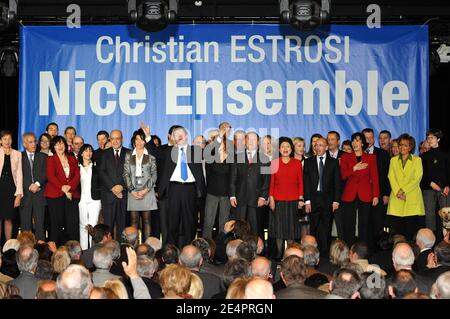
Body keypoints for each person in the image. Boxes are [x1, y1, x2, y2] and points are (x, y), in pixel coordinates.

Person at [144, 124, 206, 248]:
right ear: (172, 138)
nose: (180, 137)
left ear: (187, 136)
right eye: (177, 135)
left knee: (189, 221)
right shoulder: (168, 151)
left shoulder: (196, 151)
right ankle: (172, 250)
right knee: (172, 221)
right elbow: (154, 151)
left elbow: (213, 152)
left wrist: (220, 138)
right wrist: (147, 137)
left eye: (182, 135)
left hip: (190, 189)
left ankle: (188, 249)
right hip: (174, 189)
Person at [340, 132, 379, 247]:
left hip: (365, 194)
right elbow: (343, 175)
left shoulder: (371, 158)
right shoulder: (346, 157)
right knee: (349, 224)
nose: (354, 143)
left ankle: (362, 251)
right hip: (349, 194)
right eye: (353, 140)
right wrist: (354, 168)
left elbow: (375, 178)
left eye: (357, 140)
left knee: (364, 224)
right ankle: (349, 250)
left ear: (362, 143)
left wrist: (376, 195)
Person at [304, 137, 341, 255]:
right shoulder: (309, 161)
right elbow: (306, 182)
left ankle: (324, 254)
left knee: (326, 227)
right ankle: (313, 252)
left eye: (321, 145)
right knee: (313, 227)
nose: (318, 147)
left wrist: (336, 201)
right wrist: (307, 201)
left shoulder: (334, 162)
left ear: (326, 147)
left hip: (328, 200)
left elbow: (337, 183)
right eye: (316, 145)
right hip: (313, 200)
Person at [268, 137, 303, 259]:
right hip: (278, 201)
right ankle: (280, 255)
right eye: (282, 147)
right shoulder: (274, 163)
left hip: (293, 201)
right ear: (279, 149)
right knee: (279, 230)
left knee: (291, 231)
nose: (285, 149)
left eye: (288, 146)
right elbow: (271, 183)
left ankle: (290, 255)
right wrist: (271, 198)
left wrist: (301, 198)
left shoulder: (297, 163)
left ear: (291, 149)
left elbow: (300, 183)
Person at [230, 131, 270, 239]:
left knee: (256, 227)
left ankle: (257, 251)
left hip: (256, 200)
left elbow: (266, 180)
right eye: (249, 139)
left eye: (254, 140)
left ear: (258, 142)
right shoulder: (237, 157)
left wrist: (263, 197)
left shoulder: (265, 159)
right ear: (245, 141)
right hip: (240, 199)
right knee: (239, 227)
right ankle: (238, 252)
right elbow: (233, 178)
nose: (251, 142)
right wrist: (232, 195)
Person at [387, 133, 425, 241]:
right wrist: (398, 192)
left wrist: (403, 191)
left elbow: (417, 178)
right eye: (400, 145)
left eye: (405, 145)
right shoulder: (393, 160)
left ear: (410, 147)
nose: (402, 147)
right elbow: (391, 176)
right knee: (397, 232)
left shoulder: (417, 160)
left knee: (411, 232)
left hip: (411, 198)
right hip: (396, 198)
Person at [44, 135, 80, 245]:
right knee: (56, 223)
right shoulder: (50, 159)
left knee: (71, 223)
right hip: (55, 194)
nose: (60, 146)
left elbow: (77, 175)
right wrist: (63, 189)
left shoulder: (72, 158)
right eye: (57, 144)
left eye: (62, 143)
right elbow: (51, 176)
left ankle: (73, 249)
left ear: (65, 145)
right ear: (53, 147)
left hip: (71, 194)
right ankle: (55, 250)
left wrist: (69, 188)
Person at [123, 129, 158, 240]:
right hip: (133, 191)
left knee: (147, 220)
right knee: (134, 220)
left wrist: (146, 190)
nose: (139, 142)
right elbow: (125, 173)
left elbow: (154, 175)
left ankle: (146, 248)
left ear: (145, 142)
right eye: (137, 139)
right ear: (134, 141)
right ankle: (133, 247)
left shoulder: (151, 156)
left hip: (147, 190)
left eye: (142, 139)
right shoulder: (128, 155)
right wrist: (132, 190)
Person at [362, 128, 391, 250]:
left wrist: (385, 194)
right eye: (366, 138)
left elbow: (386, 176)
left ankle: (378, 248)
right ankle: (364, 247)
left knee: (378, 222)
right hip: (362, 194)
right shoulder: (357, 153)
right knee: (364, 222)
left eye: (370, 137)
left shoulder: (383, 154)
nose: (368, 140)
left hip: (378, 194)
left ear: (374, 139)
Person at [99, 130, 130, 240]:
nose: (115, 141)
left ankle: (122, 251)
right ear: (110, 140)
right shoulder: (104, 153)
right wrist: (113, 188)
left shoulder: (129, 153)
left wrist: (121, 186)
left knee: (122, 228)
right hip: (109, 196)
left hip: (124, 195)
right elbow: (101, 172)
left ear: (122, 139)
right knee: (108, 228)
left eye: (118, 138)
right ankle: (108, 253)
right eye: (113, 139)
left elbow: (131, 172)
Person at [203, 124, 232, 240]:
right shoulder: (210, 155)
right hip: (212, 192)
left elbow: (231, 175)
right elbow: (212, 171)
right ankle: (206, 247)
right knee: (208, 222)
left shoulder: (231, 156)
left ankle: (221, 247)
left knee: (223, 223)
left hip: (226, 194)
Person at [420, 129, 449, 242]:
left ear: (438, 139)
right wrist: (431, 184)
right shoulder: (424, 156)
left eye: (432, 137)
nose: (429, 140)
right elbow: (422, 174)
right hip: (429, 189)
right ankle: (429, 241)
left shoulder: (445, 154)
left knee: (446, 215)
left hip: (444, 189)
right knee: (430, 215)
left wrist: (448, 186)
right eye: (428, 138)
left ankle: (446, 240)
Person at [19, 132, 47, 241]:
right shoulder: (18, 156)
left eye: (34, 141)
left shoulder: (43, 157)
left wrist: (37, 184)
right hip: (25, 195)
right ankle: (25, 251)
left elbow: (46, 173)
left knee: (40, 225)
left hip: (39, 195)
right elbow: (17, 174)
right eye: (30, 142)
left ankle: (41, 251)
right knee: (25, 225)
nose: (34, 144)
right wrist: (29, 185)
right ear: (24, 144)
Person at [78, 144, 102, 250]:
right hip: (81, 199)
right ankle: (84, 251)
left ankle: (93, 250)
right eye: (86, 151)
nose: (89, 153)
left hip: (95, 200)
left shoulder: (97, 167)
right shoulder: (77, 167)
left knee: (93, 225)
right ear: (81, 153)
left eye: (90, 151)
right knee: (83, 225)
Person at [0, 130, 23, 242]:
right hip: (1, 186)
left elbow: (19, 175)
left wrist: (18, 194)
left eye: (9, 138)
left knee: (8, 218)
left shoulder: (17, 154)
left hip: (11, 188)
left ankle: (7, 248)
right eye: (4, 139)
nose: (7, 141)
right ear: (0, 141)